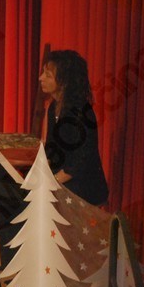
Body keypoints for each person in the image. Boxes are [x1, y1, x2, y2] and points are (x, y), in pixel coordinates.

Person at [38, 49, 109, 206]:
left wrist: (52, 182)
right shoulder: (53, 107)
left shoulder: (80, 112)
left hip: (83, 188)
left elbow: (79, 161)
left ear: (64, 81)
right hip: (63, 180)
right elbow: (51, 149)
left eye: (48, 75)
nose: (40, 78)